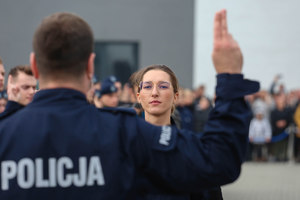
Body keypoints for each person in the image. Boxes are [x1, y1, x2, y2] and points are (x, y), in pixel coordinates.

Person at [0, 10, 259, 199]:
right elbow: (218, 162)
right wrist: (229, 75)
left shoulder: (5, 135)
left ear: (34, 65)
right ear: (91, 66)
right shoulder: (125, 134)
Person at [136, 64, 223, 199]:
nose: (154, 93)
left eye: (163, 86)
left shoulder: (194, 151)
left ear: (175, 96)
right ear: (138, 96)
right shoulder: (123, 148)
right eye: (147, 86)